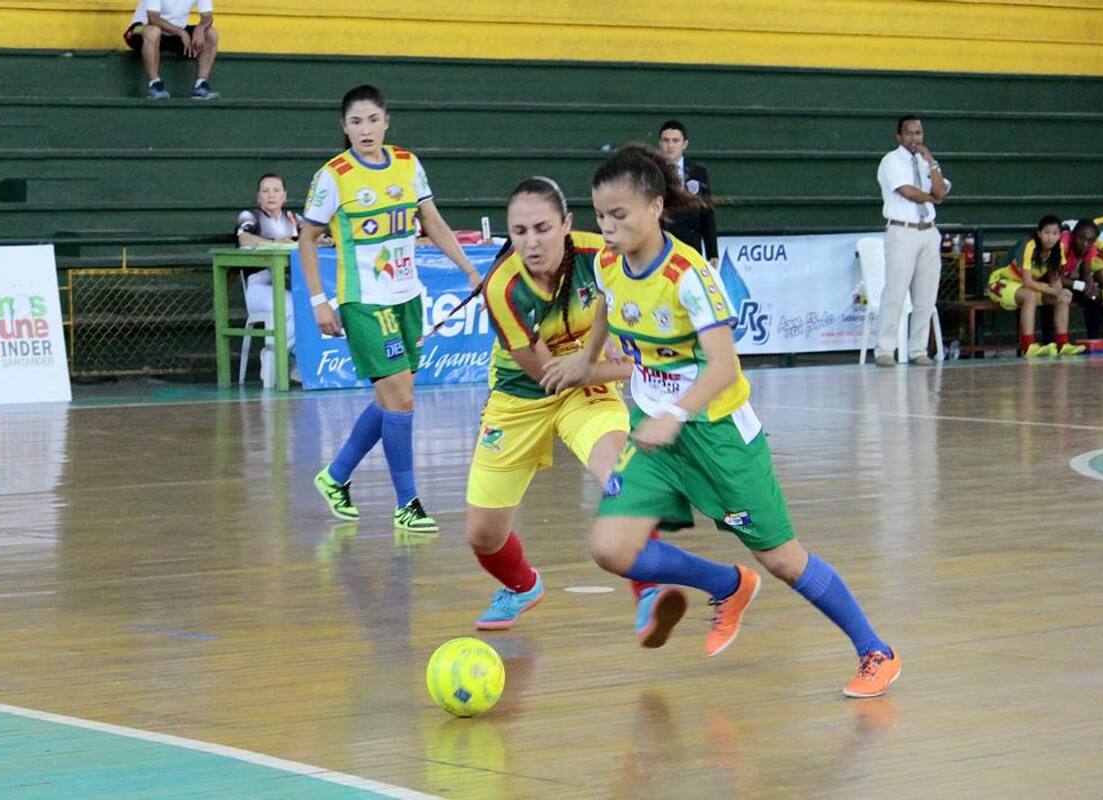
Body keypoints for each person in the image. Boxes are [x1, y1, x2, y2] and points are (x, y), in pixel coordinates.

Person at [542, 145, 900, 698]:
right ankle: (727, 586)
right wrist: (587, 363)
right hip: (655, 434)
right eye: (600, 216)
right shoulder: (608, 265)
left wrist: (677, 415)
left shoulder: (690, 275)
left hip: (717, 436)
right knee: (612, 548)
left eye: (620, 215)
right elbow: (610, 313)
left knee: (782, 558)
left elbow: (724, 364)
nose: (607, 229)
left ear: (656, 207)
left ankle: (875, 649)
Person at [466, 177, 656, 632]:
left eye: (542, 228)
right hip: (522, 396)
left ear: (567, 224)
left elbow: (626, 301)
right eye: (520, 231)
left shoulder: (601, 255)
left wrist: (611, 341)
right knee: (482, 536)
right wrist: (636, 366)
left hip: (587, 390)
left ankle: (649, 588)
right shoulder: (503, 288)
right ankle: (522, 586)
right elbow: (550, 376)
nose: (532, 242)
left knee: (619, 476)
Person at [300, 85, 481, 533]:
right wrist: (319, 300)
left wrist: (470, 272)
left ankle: (336, 476)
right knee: (400, 397)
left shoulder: (407, 163)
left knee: (393, 398)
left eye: (373, 120)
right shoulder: (333, 176)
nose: (365, 129)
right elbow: (307, 238)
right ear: (344, 127)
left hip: (407, 296)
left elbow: (432, 222)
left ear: (386, 121)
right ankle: (408, 504)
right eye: (356, 122)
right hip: (363, 301)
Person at [874, 115, 951, 366]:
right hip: (902, 231)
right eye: (909, 133)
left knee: (926, 295)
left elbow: (941, 190)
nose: (914, 139)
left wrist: (932, 164)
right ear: (899, 137)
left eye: (918, 133)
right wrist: (934, 198)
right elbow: (908, 192)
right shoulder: (891, 161)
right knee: (895, 292)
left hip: (928, 231)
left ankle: (918, 349)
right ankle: (885, 349)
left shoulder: (925, 163)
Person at [986, 215, 1085, 356]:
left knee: (1063, 297)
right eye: (1047, 233)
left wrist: (1060, 292)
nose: (1050, 237)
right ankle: (1028, 346)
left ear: (1059, 235)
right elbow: (1027, 281)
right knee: (1030, 295)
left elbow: (1054, 278)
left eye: (1055, 233)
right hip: (1000, 283)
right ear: (1039, 233)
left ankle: (1063, 344)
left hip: (1024, 288)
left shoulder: (1057, 250)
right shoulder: (1029, 245)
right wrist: (1052, 290)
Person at [235, 172, 300, 382]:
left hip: (288, 285)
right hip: (258, 290)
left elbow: (315, 236)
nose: (271, 195)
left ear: (284, 196)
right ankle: (274, 355)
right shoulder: (250, 216)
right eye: (265, 191)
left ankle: (290, 361)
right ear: (258, 197)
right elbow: (244, 239)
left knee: (309, 307)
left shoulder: (293, 219)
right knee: (291, 306)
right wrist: (277, 242)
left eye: (276, 190)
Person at [124, 0, 219, 100]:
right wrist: (181, 32)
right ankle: (155, 84)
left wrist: (200, 28)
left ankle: (201, 85)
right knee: (153, 31)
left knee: (211, 34)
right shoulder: (135, 30)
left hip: (173, 33)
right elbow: (153, 18)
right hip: (137, 29)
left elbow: (207, 16)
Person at [657, 120, 718, 266]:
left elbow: (707, 211)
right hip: (661, 245)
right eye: (666, 140)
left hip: (691, 245)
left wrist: (712, 251)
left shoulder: (698, 171)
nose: (670, 146)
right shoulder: (652, 171)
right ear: (660, 143)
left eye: (675, 141)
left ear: (684, 144)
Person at [1055, 220, 1103, 340]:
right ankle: (1051, 341)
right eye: (1082, 238)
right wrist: (1082, 286)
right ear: (1073, 235)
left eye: (1090, 240)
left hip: (1069, 282)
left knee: (1095, 296)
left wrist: (1090, 285)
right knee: (1059, 295)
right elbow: (1053, 277)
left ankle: (1093, 340)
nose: (1085, 244)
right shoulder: (1063, 243)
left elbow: (1086, 272)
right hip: (1047, 282)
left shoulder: (1090, 248)